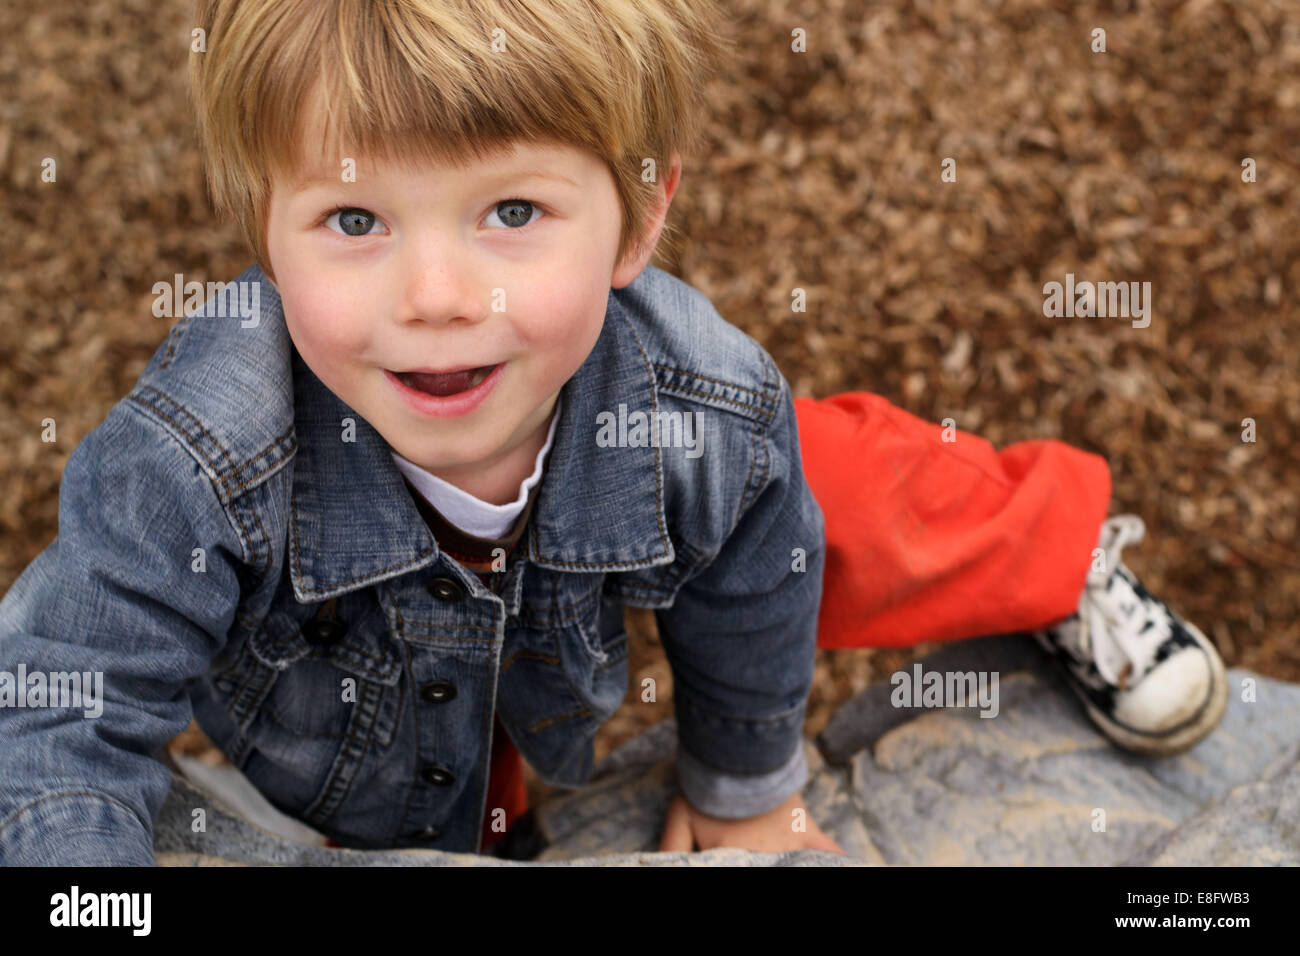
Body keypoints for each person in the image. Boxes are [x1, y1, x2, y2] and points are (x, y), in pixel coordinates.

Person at [0, 0, 1224, 866]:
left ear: (640, 219)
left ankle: (1052, 550)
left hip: (660, 463)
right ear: (261, 226)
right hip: (403, 666)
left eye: (513, 209)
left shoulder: (701, 411)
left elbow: (753, 593)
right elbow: (57, 699)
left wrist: (744, 791)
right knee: (454, 742)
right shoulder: (194, 458)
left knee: (824, 498)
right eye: (356, 217)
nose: (435, 295)